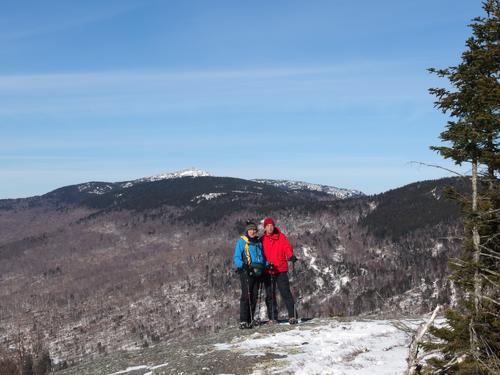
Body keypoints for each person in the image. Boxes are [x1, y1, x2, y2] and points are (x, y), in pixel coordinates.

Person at [261, 217, 298, 324]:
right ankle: (273, 318)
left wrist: (291, 256)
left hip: (281, 268)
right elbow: (260, 254)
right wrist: (264, 265)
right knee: (270, 295)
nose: (270, 228)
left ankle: (292, 316)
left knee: (285, 292)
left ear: (274, 226)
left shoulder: (281, 237)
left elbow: (287, 247)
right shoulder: (262, 239)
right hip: (268, 270)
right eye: (267, 226)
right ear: (265, 227)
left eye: (271, 225)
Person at [233, 221, 267, 329]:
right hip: (246, 271)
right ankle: (244, 320)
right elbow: (237, 257)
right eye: (250, 230)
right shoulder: (242, 242)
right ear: (247, 231)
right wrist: (243, 265)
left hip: (258, 271)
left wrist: (267, 265)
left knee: (254, 296)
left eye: (254, 230)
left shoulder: (258, 243)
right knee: (246, 295)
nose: (252, 232)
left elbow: (262, 257)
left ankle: (250, 318)